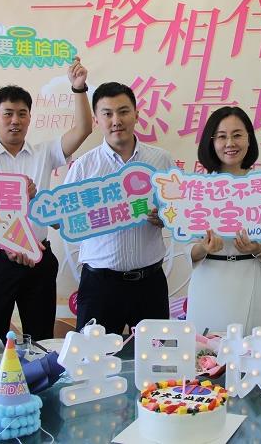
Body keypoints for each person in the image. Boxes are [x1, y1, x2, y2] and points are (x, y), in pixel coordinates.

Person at [0, 49, 93, 342]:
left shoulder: (45, 152)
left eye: (22, 114)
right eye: (8, 114)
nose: (15, 120)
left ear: (29, 118)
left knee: (41, 339)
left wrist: (78, 88)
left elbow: (84, 129)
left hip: (39, 256)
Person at [65, 82, 174, 335]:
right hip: (99, 285)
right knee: (92, 356)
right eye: (107, 114)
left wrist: (166, 217)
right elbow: (63, 220)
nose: (116, 120)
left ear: (136, 114)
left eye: (124, 111)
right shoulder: (84, 166)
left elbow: (179, 211)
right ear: (96, 120)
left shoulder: (161, 160)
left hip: (150, 283)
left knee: (157, 354)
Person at [185, 107, 261, 334]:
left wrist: (259, 248)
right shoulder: (197, 190)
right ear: (211, 142)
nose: (230, 143)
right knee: (204, 351)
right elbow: (185, 245)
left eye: (237, 135)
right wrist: (203, 247)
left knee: (253, 350)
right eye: (222, 136)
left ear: (249, 139)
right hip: (208, 283)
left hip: (253, 278)